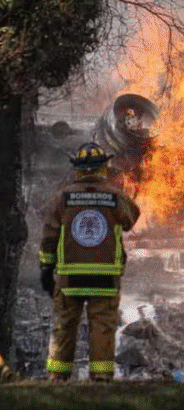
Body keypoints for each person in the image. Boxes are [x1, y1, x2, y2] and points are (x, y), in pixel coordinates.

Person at [40, 142, 140, 381]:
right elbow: (130, 220)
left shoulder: (62, 198)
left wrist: (46, 267)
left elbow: (49, 236)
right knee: (102, 328)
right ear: (103, 168)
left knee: (64, 326)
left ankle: (58, 379)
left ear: (77, 169)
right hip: (105, 275)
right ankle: (101, 380)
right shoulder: (115, 196)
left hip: (69, 276)